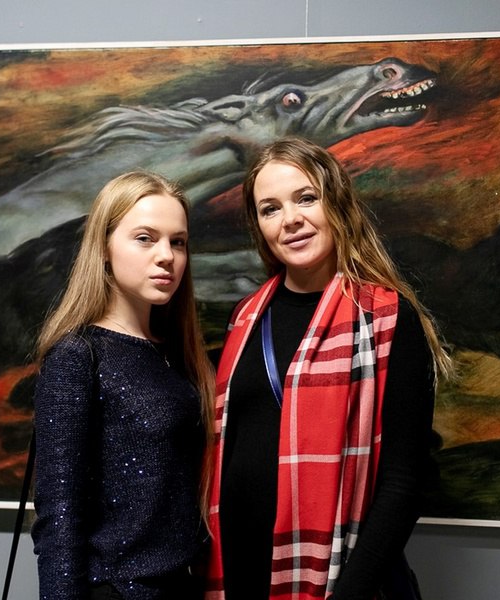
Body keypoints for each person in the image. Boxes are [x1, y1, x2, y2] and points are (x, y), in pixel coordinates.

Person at [205, 138, 453, 600]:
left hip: (337, 581)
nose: (290, 219)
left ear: (336, 203)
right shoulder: (243, 319)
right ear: (260, 226)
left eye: (306, 198)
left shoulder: (386, 317)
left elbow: (405, 481)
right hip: (241, 575)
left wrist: (350, 594)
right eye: (270, 209)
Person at [31, 171, 214, 600]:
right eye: (145, 238)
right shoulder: (78, 355)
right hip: (120, 590)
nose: (166, 256)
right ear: (104, 248)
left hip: (186, 587)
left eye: (178, 242)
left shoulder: (177, 353)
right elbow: (59, 515)